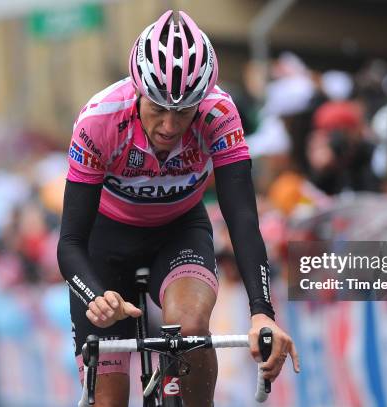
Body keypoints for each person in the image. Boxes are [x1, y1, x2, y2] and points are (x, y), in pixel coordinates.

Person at [56, 10, 300, 407]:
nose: (170, 126)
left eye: (184, 111)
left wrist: (262, 312)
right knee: (110, 399)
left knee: (189, 328)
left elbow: (242, 218)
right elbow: (69, 242)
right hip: (104, 242)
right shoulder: (98, 120)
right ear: (137, 93)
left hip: (179, 231)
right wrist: (97, 296)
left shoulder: (219, 113)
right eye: (158, 108)